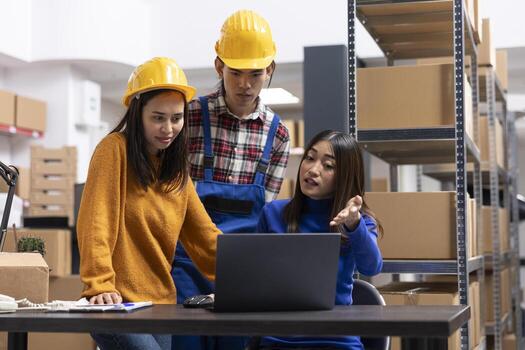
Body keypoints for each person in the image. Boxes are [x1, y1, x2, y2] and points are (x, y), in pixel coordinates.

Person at [77, 57, 222, 350]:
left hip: (160, 307)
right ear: (137, 111)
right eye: (158, 117)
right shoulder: (113, 150)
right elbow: (96, 223)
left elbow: (206, 238)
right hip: (116, 305)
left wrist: (246, 280)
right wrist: (99, 284)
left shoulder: (176, 172)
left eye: (176, 118)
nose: (168, 128)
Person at [171, 9, 290, 350]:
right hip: (185, 264)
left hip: (241, 272)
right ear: (219, 66)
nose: (245, 84)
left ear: (270, 70)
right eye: (236, 72)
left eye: (255, 73)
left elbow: (265, 209)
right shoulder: (189, 117)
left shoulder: (278, 134)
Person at [253, 130, 383, 350]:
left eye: (328, 166)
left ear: (345, 176)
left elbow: (371, 266)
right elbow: (253, 278)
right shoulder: (272, 213)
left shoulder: (358, 221)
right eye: (310, 158)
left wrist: (353, 225)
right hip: (279, 341)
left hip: (337, 341)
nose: (313, 170)